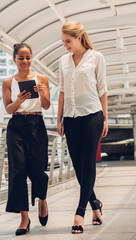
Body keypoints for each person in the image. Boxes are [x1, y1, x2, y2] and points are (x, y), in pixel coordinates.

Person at [57, 21, 108, 234]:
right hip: (70, 117)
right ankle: (95, 204)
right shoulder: (63, 60)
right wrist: (59, 118)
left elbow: (103, 89)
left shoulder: (97, 58)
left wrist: (105, 118)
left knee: (87, 163)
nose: (65, 45)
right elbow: (61, 90)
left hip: (92, 115)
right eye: (63, 42)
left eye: (68, 41)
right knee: (78, 166)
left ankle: (80, 213)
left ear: (79, 37)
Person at [2, 43, 50, 236]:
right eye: (20, 58)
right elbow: (8, 109)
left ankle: (42, 200)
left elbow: (45, 106)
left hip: (37, 123)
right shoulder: (8, 82)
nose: (25, 61)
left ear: (32, 58)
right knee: (18, 170)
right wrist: (19, 101)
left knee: (38, 169)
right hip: (16, 126)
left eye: (28, 57)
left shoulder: (42, 78)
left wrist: (44, 92)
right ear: (14, 59)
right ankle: (24, 217)